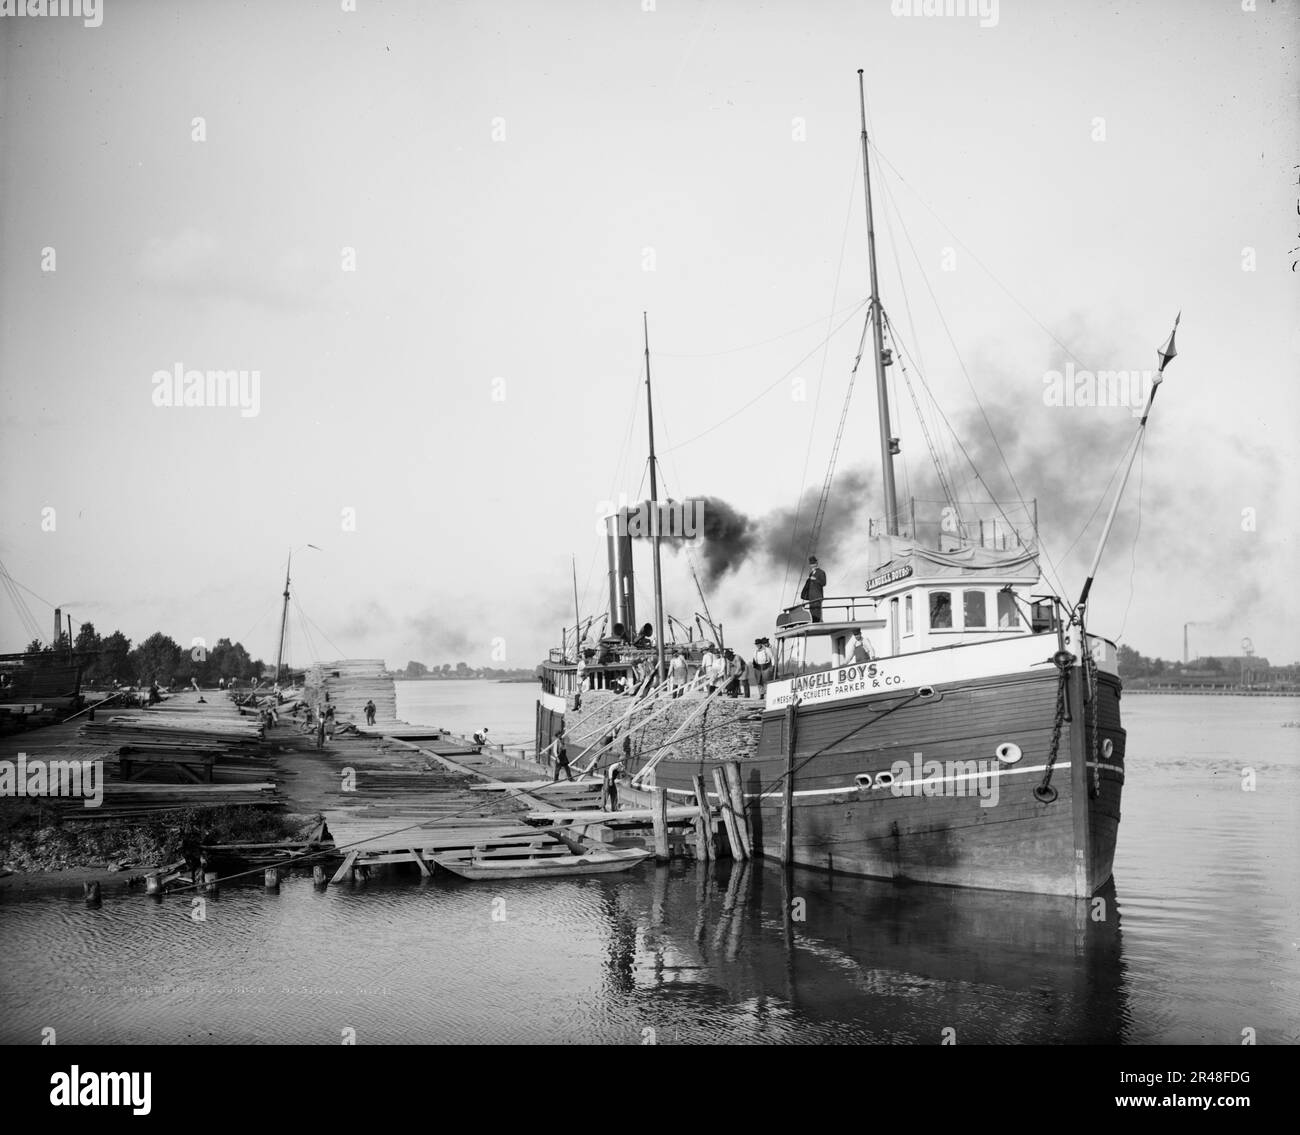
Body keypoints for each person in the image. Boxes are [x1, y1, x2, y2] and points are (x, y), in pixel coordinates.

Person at [801, 555, 827, 622]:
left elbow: (824, 583)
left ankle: (818, 621)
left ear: (816, 563)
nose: (812, 565)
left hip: (817, 596)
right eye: (811, 564)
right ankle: (814, 622)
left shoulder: (821, 572)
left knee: (817, 612)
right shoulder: (811, 573)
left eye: (813, 563)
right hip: (811, 597)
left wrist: (815, 579)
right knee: (812, 611)